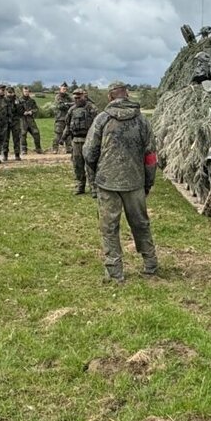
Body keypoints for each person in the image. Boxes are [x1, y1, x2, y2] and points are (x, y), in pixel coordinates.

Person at [82, 81, 158, 282]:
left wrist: (94, 175)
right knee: (141, 223)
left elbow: (89, 152)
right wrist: (148, 182)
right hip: (135, 182)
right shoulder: (142, 121)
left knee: (109, 227)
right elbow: (150, 156)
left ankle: (115, 272)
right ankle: (150, 264)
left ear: (110, 97)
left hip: (107, 182)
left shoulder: (102, 120)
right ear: (127, 95)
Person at [65, 88, 98, 195]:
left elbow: (98, 124)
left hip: (89, 140)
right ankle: (80, 186)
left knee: (91, 164)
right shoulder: (72, 110)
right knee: (77, 164)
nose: (77, 100)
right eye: (75, 98)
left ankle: (94, 187)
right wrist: (63, 138)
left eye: (79, 97)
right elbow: (67, 125)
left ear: (84, 96)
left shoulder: (91, 108)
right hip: (76, 141)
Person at [19, 86, 43, 154]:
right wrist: (23, 112)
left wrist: (31, 112)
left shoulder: (32, 101)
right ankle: (24, 150)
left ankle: (38, 148)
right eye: (25, 91)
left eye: (27, 91)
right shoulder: (19, 100)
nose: (26, 93)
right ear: (22, 92)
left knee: (36, 133)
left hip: (30, 119)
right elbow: (16, 110)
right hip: (23, 120)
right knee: (23, 134)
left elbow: (36, 109)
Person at [2, 86, 23, 161]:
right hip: (6, 121)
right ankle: (5, 155)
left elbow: (21, 112)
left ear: (14, 93)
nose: (10, 94)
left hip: (15, 121)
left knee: (16, 138)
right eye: (9, 92)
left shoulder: (17, 100)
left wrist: (17, 104)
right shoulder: (3, 100)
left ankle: (17, 155)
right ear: (6, 93)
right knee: (5, 139)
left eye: (11, 93)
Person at [51, 82, 72, 153]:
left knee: (68, 134)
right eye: (63, 88)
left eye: (65, 89)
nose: (64, 90)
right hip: (59, 118)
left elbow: (73, 104)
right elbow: (60, 106)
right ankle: (55, 149)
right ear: (60, 88)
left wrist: (66, 104)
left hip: (67, 118)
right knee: (58, 134)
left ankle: (69, 149)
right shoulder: (58, 96)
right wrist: (67, 105)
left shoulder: (68, 97)